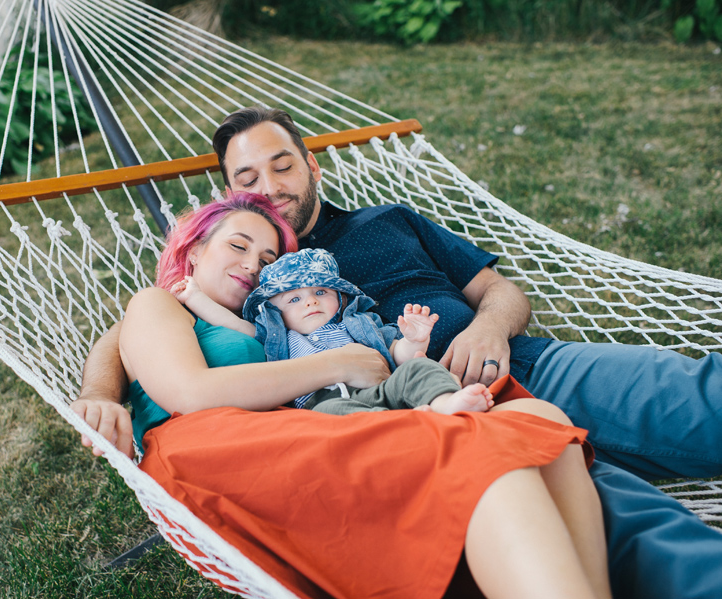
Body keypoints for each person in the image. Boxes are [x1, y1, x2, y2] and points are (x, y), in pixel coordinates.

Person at [75, 106, 722, 599]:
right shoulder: (251, 290)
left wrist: (489, 329)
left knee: (688, 395)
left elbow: (498, 290)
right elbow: (144, 328)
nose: (269, 185)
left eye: (282, 164)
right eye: (247, 179)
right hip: (396, 406)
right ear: (229, 198)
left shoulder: (388, 219)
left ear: (311, 166)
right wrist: (102, 392)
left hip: (509, 365)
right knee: (614, 510)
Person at [78, 191, 613, 599]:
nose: (251, 263)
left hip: (296, 432)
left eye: (267, 260)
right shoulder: (158, 303)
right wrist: (338, 363)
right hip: (212, 446)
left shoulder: (268, 326)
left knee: (536, 415)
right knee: (470, 445)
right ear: (192, 251)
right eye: (237, 246)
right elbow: (189, 391)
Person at [172, 247, 493, 415]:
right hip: (325, 404)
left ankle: (444, 404)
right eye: (294, 298)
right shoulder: (277, 339)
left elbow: (399, 356)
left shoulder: (360, 324)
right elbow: (234, 324)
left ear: (340, 299)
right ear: (276, 312)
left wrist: (413, 340)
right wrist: (195, 297)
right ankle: (406, 424)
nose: (310, 301)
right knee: (334, 413)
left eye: (321, 293)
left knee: (422, 369)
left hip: (384, 389)